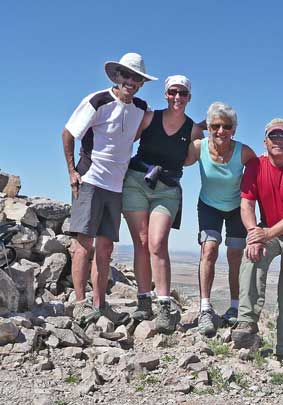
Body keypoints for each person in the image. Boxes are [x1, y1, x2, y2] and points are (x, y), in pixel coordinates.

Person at [62, 52, 157, 326]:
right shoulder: (97, 100)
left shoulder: (140, 106)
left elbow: (134, 134)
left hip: (116, 186)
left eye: (136, 78)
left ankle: (100, 304)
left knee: (105, 249)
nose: (130, 81)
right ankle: (81, 304)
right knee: (83, 245)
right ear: (117, 76)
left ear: (141, 83)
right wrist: (72, 172)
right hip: (90, 179)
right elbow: (68, 133)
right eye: (126, 75)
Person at [231, 118, 283, 364]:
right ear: (265, 141)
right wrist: (253, 232)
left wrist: (266, 234)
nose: (277, 140)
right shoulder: (256, 166)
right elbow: (246, 202)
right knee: (251, 256)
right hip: (268, 228)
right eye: (273, 136)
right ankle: (246, 322)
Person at [122, 75, 204, 333]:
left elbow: (190, 160)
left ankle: (165, 304)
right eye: (172, 92)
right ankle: (144, 299)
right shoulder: (148, 118)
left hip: (167, 188)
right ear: (166, 94)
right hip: (136, 181)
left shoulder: (193, 130)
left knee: (158, 243)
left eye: (182, 93)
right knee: (142, 241)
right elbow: (124, 142)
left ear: (189, 97)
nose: (177, 97)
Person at [184, 102, 256, 335]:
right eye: (215, 126)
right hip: (209, 207)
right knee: (209, 251)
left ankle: (235, 308)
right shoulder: (199, 147)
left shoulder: (243, 151)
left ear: (234, 129)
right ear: (209, 127)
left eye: (226, 126)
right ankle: (205, 309)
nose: (221, 131)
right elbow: (179, 160)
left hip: (237, 208)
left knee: (235, 256)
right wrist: (195, 129)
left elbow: (260, 175)